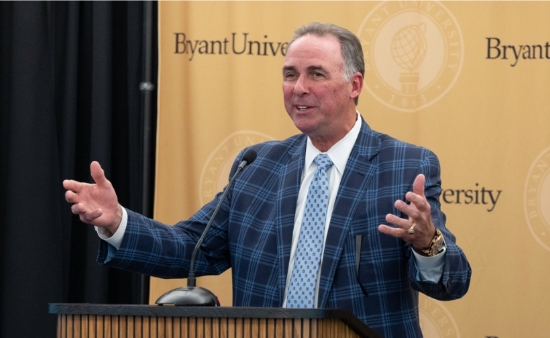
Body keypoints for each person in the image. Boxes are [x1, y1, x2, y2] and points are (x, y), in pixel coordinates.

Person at [64, 22, 471, 337]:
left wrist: (427, 242)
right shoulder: (258, 165)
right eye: (290, 74)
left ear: (355, 85)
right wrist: (119, 223)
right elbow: (191, 248)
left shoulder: (404, 165)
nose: (298, 88)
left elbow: (452, 282)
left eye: (315, 74)